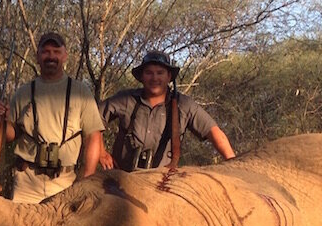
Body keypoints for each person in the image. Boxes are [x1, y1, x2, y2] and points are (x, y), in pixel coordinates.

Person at [0, 32, 105, 203]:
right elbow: (10, 134)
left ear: (65, 56)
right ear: (38, 57)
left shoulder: (81, 92)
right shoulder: (23, 92)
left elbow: (93, 136)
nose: (51, 56)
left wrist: (88, 179)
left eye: (56, 51)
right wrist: (1, 120)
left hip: (66, 182)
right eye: (45, 52)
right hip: (27, 182)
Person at [98, 50, 235, 171]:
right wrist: (101, 152)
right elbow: (94, 119)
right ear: (142, 76)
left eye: (160, 73)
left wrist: (233, 167)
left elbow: (214, 132)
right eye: (149, 73)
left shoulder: (184, 104)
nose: (154, 78)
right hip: (122, 179)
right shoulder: (125, 99)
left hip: (163, 182)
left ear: (169, 76)